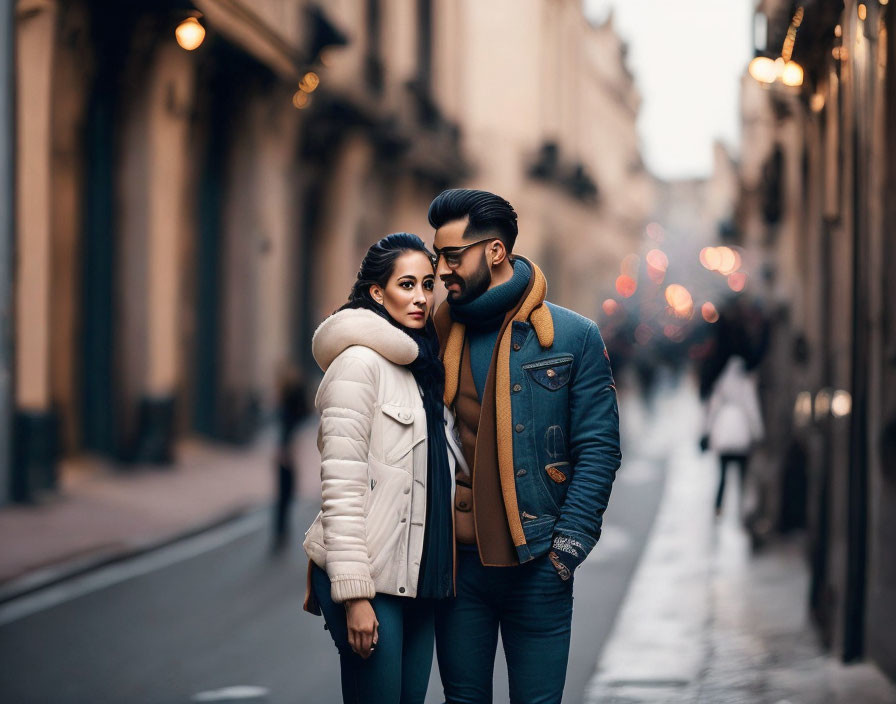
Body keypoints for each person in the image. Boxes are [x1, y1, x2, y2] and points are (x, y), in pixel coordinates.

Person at [428, 189, 622, 704]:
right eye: (437, 257)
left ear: (494, 252)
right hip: (458, 567)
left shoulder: (572, 336)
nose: (442, 270)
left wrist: (568, 548)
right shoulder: (430, 334)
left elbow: (599, 447)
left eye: (452, 256)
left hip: (538, 563)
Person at [302, 233, 464, 704]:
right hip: (369, 583)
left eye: (427, 284)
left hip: (419, 581)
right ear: (378, 292)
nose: (420, 297)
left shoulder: (420, 367)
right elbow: (341, 489)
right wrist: (355, 597)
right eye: (407, 284)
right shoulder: (359, 365)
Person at [702, 354, 764, 517]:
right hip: (741, 432)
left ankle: (718, 507)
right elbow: (752, 409)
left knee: (722, 475)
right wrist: (758, 432)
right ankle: (742, 508)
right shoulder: (745, 385)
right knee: (742, 475)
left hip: (724, 433)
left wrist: (707, 432)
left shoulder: (721, 385)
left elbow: (712, 410)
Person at [272, 363, 308, 551]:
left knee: (284, 495)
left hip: (287, 451)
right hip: (287, 451)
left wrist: (285, 450)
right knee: (285, 494)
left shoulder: (289, 400)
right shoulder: (291, 400)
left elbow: (287, 428)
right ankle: (280, 532)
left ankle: (280, 532)